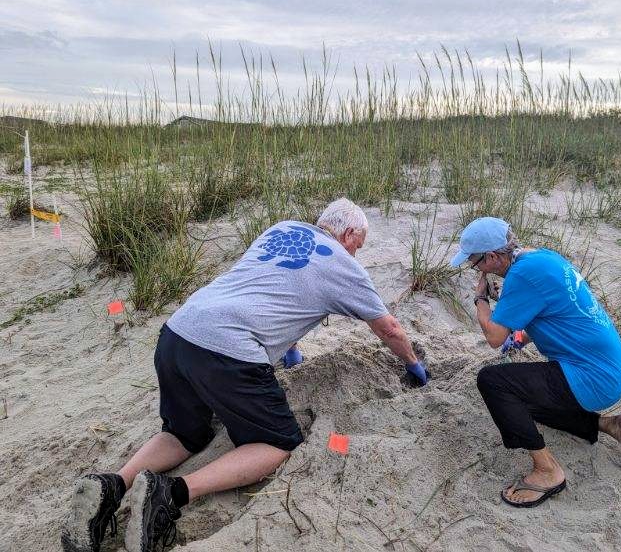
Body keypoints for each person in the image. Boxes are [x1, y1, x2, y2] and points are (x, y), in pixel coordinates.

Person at [62, 198, 428, 552]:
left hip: (177, 333)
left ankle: (114, 483)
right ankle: (169, 493)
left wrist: (290, 351)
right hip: (227, 350)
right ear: (349, 234)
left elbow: (272, 291)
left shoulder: (282, 230)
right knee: (278, 443)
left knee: (183, 433)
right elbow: (390, 329)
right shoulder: (344, 266)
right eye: (358, 246)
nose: (356, 255)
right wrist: (415, 367)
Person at [450, 217, 621, 508]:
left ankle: (547, 471)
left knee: (493, 382)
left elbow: (494, 336)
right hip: (611, 368)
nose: (477, 269)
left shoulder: (522, 276)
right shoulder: (540, 257)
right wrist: (519, 338)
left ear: (492, 257)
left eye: (475, 263)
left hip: (593, 377)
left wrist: (480, 299)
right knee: (522, 405)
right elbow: (547, 312)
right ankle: (614, 426)